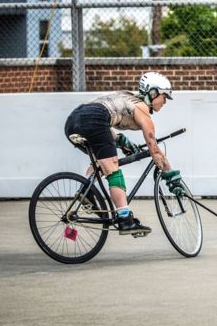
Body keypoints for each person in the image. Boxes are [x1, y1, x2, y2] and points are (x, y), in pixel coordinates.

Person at [64, 72, 184, 235]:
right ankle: (125, 219)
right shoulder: (141, 107)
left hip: (73, 121)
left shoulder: (127, 98)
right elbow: (155, 150)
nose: (165, 102)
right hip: (94, 119)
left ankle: (87, 192)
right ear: (153, 92)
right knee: (113, 170)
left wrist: (123, 142)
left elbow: (101, 116)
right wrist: (171, 176)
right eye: (164, 96)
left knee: (101, 163)